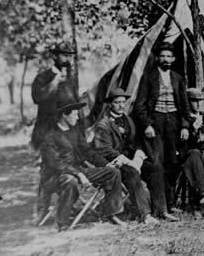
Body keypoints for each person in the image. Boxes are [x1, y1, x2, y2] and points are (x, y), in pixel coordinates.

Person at [39, 92, 125, 231]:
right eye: (74, 113)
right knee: (70, 180)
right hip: (53, 177)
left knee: (113, 172)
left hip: (78, 172)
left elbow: (88, 152)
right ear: (64, 115)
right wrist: (79, 175)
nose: (78, 116)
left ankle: (110, 213)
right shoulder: (50, 136)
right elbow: (57, 164)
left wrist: (105, 164)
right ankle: (63, 222)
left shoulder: (75, 131)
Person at [93, 88, 176, 223]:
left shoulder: (129, 120)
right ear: (110, 104)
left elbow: (136, 142)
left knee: (155, 169)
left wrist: (138, 155)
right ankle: (145, 215)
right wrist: (127, 161)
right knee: (132, 173)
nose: (121, 105)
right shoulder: (104, 124)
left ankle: (161, 210)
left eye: (123, 102)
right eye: (117, 102)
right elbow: (105, 150)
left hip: (131, 159)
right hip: (115, 163)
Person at [133, 42, 192, 212]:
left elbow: (185, 106)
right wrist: (147, 125)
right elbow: (140, 105)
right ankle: (160, 205)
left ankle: (171, 203)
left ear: (173, 59)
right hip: (156, 122)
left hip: (174, 122)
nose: (165, 59)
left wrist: (185, 126)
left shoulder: (178, 78)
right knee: (158, 163)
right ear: (158, 58)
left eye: (169, 56)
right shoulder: (148, 77)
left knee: (173, 162)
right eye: (163, 56)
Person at [31, 42, 77, 150]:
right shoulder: (43, 76)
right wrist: (55, 81)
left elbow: (74, 103)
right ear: (55, 56)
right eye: (65, 55)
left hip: (67, 131)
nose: (68, 59)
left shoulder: (70, 79)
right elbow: (37, 97)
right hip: (47, 130)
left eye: (70, 56)